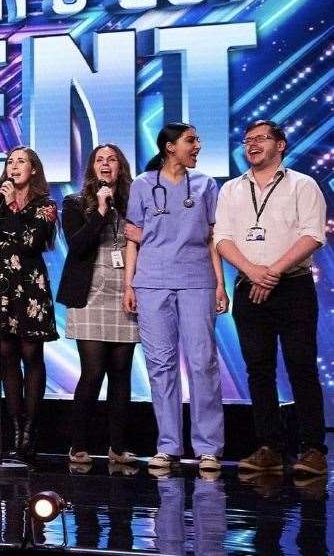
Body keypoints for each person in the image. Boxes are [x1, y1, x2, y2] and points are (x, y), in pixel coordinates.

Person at [215, 120, 326, 476]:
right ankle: (269, 448)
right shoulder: (231, 189)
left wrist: (273, 270)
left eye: (261, 139)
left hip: (292, 286)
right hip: (249, 287)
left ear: (281, 144)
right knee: (258, 370)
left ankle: (312, 449)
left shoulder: (303, 185)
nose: (252, 145)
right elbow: (222, 238)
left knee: (301, 366)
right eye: (248, 140)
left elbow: (313, 235)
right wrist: (252, 270)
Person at [123, 122, 228, 474]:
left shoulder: (206, 185)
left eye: (197, 140)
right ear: (170, 147)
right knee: (161, 365)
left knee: (203, 363)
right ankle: (168, 445)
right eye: (190, 141)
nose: (197, 146)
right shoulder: (141, 184)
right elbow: (133, 240)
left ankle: (208, 448)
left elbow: (214, 238)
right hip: (152, 282)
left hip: (197, 280)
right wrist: (129, 285)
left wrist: (220, 284)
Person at [58, 144, 138, 465]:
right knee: (93, 372)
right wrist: (101, 212)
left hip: (126, 288)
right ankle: (78, 446)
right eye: (99, 160)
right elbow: (78, 246)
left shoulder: (135, 202)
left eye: (112, 160)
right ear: (92, 168)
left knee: (121, 372)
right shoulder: (75, 203)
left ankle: (117, 449)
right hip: (89, 291)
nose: (105, 164)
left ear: (121, 167)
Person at [0, 146, 59, 459]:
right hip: (2, 284)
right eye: (10, 161)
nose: (13, 166)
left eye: (21, 162)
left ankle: (31, 427)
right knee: (6, 353)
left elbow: (31, 242)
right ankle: (16, 427)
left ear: (33, 169)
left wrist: (14, 210)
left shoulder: (45, 205)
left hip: (30, 285)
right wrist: (4, 207)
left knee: (31, 352)